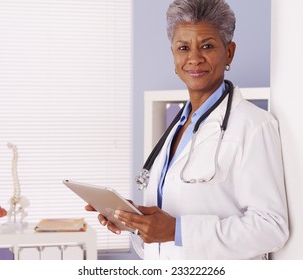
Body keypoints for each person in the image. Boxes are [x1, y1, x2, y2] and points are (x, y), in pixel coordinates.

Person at [86, 0, 289, 259]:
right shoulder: (175, 129)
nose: (194, 58)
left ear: (229, 52)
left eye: (207, 46)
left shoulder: (254, 126)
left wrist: (177, 231)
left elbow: (272, 228)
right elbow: (165, 232)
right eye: (183, 47)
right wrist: (136, 224)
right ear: (173, 55)